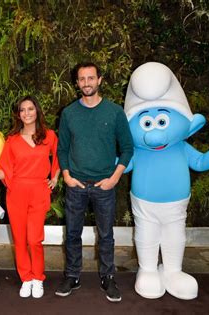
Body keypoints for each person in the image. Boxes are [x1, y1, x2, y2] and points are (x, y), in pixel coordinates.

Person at [55, 62, 133, 302]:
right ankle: (72, 275)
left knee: (106, 234)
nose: (86, 83)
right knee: (72, 234)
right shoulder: (69, 113)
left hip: (104, 185)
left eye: (91, 78)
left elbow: (128, 148)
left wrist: (114, 178)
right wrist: (67, 175)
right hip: (76, 185)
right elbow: (62, 149)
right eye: (82, 79)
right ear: (77, 83)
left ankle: (108, 277)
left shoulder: (114, 112)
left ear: (99, 80)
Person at [0, 95, 60, 298]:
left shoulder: (50, 136)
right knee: (19, 239)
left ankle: (38, 278)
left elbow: (60, 156)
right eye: (22, 110)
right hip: (16, 192)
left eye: (30, 109)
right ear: (18, 115)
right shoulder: (12, 140)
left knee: (34, 239)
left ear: (37, 111)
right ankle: (26, 278)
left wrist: (55, 177)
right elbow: (4, 169)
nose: (26, 113)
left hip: (39, 191)